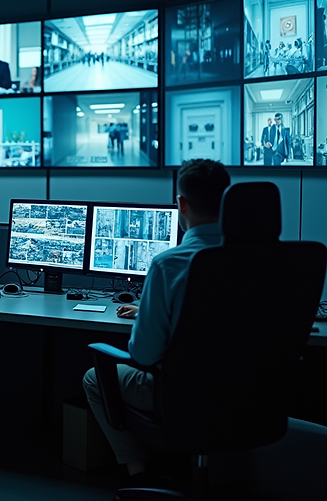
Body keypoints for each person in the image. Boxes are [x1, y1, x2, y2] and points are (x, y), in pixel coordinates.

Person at [83, 159, 231, 488]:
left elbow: (144, 354)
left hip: (182, 395)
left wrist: (153, 315)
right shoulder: (259, 260)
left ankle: (140, 475)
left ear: (181, 204)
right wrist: (151, 310)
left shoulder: (169, 264)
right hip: (248, 392)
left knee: (95, 377)